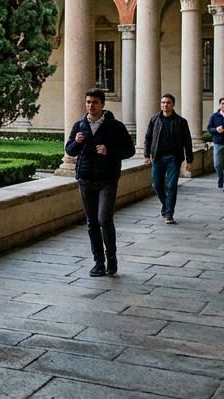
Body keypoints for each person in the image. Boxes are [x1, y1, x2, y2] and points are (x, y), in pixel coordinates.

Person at [65, 89, 135, 276]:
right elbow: (70, 151)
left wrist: (108, 151)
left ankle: (111, 258)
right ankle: (98, 262)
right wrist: (77, 143)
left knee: (104, 219)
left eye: (95, 102)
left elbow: (129, 150)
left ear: (102, 104)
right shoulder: (79, 125)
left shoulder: (115, 126)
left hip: (107, 179)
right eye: (88, 102)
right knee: (92, 222)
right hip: (85, 179)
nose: (90, 105)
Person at [143, 94, 191, 225]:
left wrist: (189, 161)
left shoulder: (181, 121)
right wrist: (146, 154)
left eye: (168, 103)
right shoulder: (154, 120)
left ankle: (169, 213)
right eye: (163, 102)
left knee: (171, 186)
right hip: (158, 157)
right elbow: (148, 138)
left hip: (173, 158)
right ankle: (166, 204)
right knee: (157, 185)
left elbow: (187, 142)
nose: (165, 105)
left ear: (173, 104)